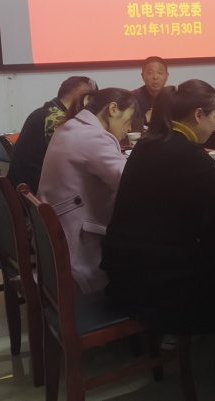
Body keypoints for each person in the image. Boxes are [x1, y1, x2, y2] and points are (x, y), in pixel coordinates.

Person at [102, 80, 215, 338]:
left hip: (127, 266)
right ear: (198, 115)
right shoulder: (180, 150)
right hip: (151, 279)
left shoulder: (151, 141)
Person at [37, 87, 136, 294]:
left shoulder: (71, 126)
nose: (128, 129)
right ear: (113, 109)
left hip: (54, 235)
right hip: (76, 247)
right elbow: (129, 182)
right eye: (128, 120)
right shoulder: (94, 137)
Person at [6, 76, 97, 194]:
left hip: (21, 190)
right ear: (81, 92)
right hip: (31, 195)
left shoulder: (44, 112)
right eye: (90, 99)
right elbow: (82, 156)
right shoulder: (57, 119)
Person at [131, 56, 169, 126]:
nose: (155, 77)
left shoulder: (174, 97)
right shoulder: (131, 98)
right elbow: (124, 125)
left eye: (160, 72)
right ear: (143, 76)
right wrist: (145, 119)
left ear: (167, 76)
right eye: (150, 73)